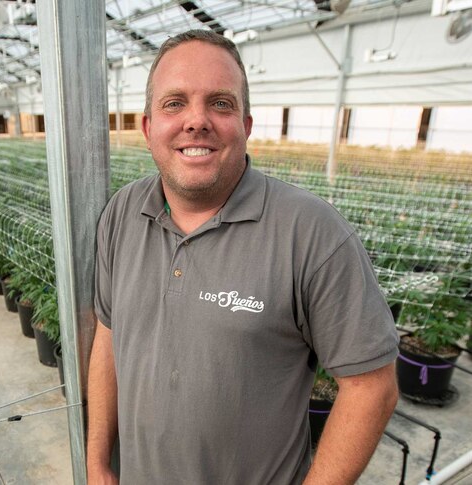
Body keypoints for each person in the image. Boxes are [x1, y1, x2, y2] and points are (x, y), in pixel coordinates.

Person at [88, 30, 399, 484]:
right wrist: (98, 462)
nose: (197, 121)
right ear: (148, 126)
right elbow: (107, 337)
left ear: (247, 126)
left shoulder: (310, 233)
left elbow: (372, 387)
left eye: (220, 103)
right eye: (175, 103)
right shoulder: (122, 213)